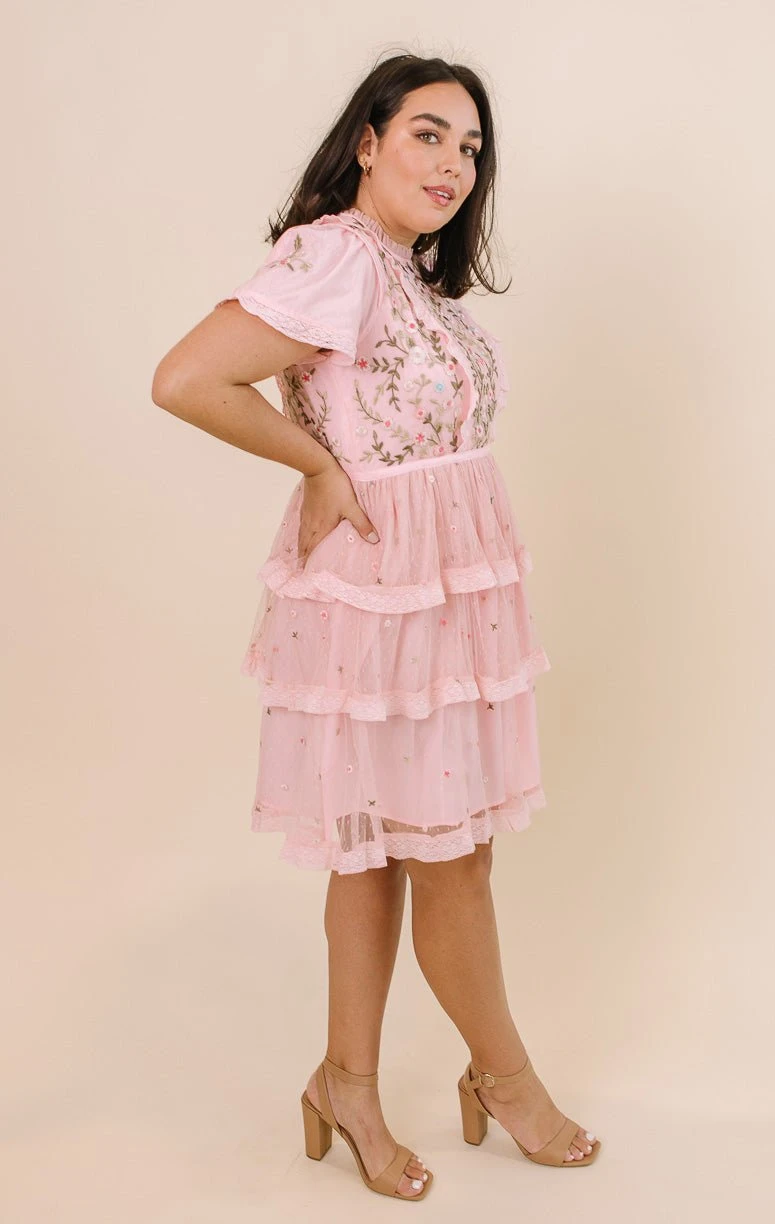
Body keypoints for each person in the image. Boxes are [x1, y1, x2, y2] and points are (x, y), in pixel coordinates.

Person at [152, 51, 601, 1203]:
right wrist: (313, 464)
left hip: (439, 591)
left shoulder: (400, 273)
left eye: (470, 147)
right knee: (449, 859)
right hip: (386, 593)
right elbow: (189, 378)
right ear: (367, 141)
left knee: (386, 849)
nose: (453, 163)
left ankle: (346, 1080)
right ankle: (506, 1080)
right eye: (427, 135)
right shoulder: (340, 257)